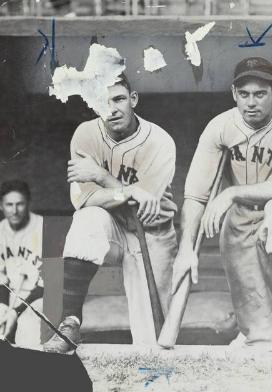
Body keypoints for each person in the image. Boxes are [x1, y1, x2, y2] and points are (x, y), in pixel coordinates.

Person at [172, 57, 272, 353]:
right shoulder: (220, 127)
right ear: (233, 93)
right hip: (241, 222)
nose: (251, 102)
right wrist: (186, 249)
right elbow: (196, 195)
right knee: (261, 338)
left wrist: (231, 194)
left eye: (260, 93)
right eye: (244, 94)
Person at [43, 74, 178, 353]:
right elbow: (87, 200)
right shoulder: (85, 134)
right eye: (102, 102)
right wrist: (126, 191)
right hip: (112, 226)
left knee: (152, 342)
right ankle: (70, 322)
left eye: (118, 99)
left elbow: (143, 208)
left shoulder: (160, 141)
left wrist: (103, 177)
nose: (112, 109)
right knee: (87, 219)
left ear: (133, 99)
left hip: (152, 233)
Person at [0, 180, 44, 347]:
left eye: (20, 204)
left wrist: (16, 312)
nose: (15, 210)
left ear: (28, 204)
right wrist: (4, 307)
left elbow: (50, 284)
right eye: (9, 205)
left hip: (41, 298)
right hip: (11, 296)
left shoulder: (45, 228)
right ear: (1, 206)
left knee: (27, 327)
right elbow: (1, 279)